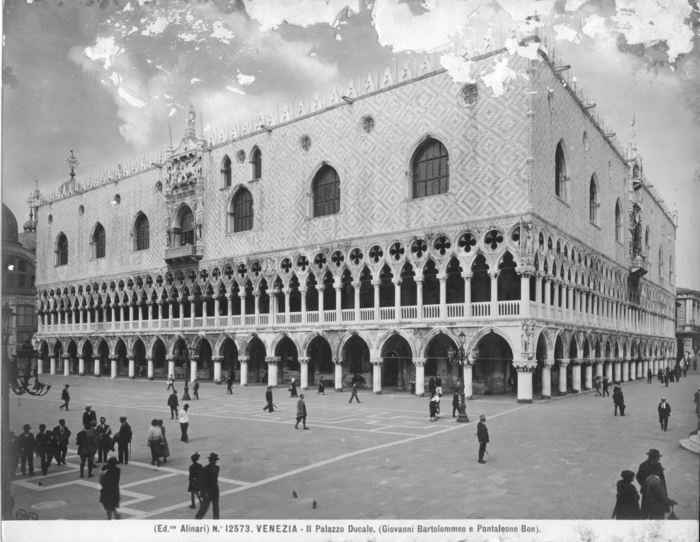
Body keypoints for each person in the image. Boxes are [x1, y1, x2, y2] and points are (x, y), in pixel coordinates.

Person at [637, 448, 665, 518]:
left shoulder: (657, 465)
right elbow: (638, 476)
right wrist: (645, 485)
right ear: (652, 458)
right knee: (645, 508)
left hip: (656, 490)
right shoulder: (644, 465)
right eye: (657, 458)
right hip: (647, 490)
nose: (659, 459)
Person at [195, 453, 220, 520]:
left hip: (215, 491)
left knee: (216, 508)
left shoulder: (217, 468)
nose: (214, 462)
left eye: (215, 460)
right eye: (213, 460)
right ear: (210, 460)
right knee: (205, 507)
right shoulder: (205, 469)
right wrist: (204, 492)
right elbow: (203, 481)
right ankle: (198, 518)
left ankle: (216, 521)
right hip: (207, 492)